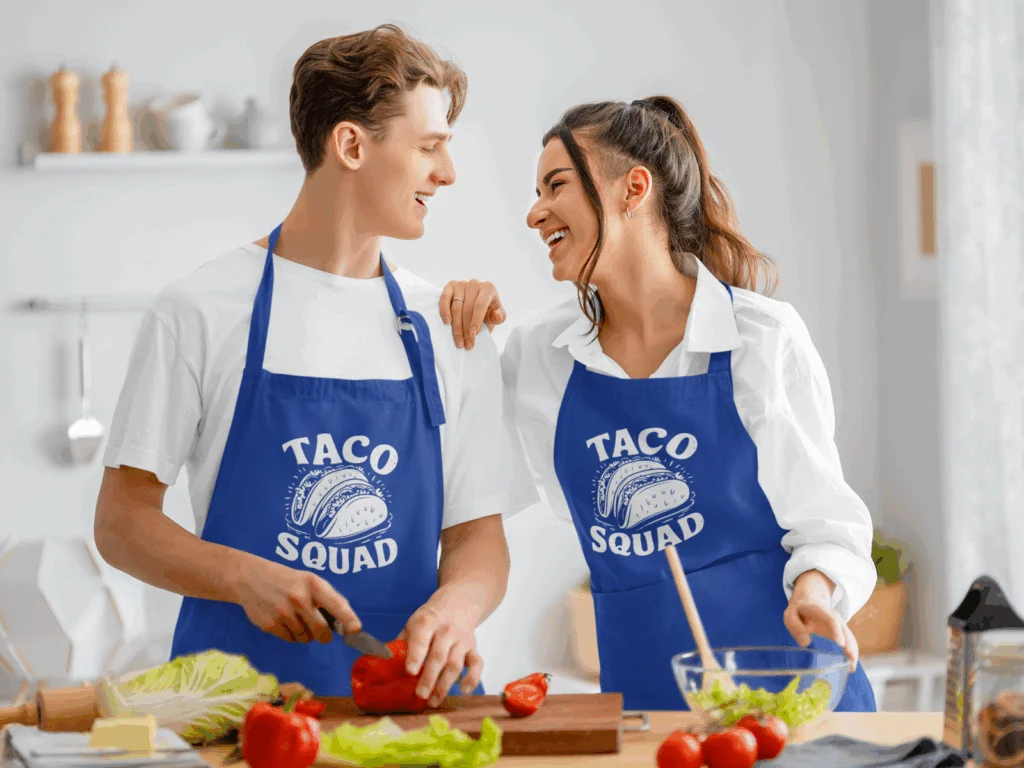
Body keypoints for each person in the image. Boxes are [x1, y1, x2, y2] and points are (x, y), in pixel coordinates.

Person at [93, 24, 538, 703]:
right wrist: (244, 578)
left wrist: (460, 606)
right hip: (236, 714)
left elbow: (479, 537)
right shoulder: (200, 310)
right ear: (352, 144)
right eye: (429, 148)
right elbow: (122, 524)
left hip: (408, 714)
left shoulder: (448, 326)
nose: (448, 174)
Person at [439, 95, 877, 712]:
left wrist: (813, 592)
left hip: (794, 701)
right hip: (648, 710)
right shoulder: (540, 356)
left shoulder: (758, 338)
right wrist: (462, 335)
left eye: (555, 185)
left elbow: (829, 528)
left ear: (633, 188)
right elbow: (458, 473)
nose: (536, 212)